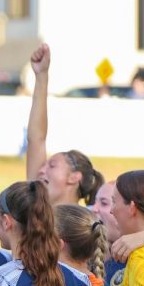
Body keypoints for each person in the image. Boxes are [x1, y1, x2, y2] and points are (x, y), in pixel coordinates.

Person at [25, 44, 105, 207]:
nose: (41, 170)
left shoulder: (88, 224)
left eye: (52, 165)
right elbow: (36, 139)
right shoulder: (37, 208)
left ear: (74, 177)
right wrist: (41, 76)